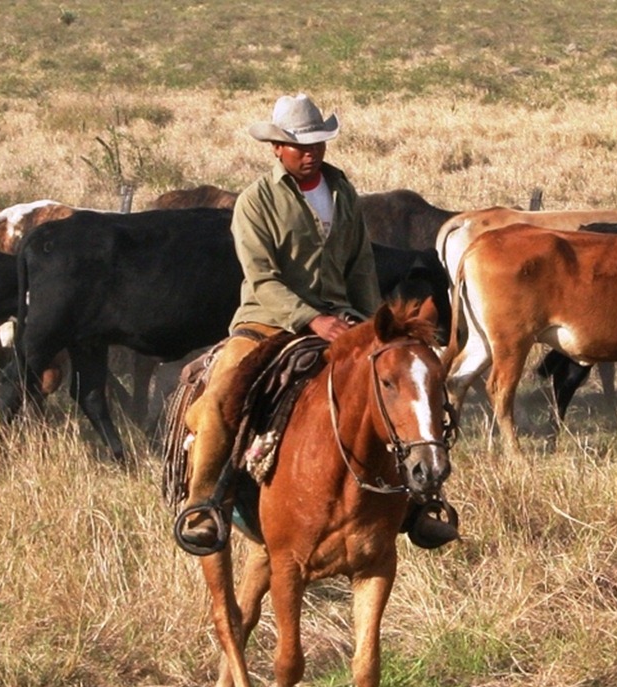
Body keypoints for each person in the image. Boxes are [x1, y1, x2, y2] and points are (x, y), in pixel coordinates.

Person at [175, 93, 456, 554]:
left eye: (318, 144)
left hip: (344, 319)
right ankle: (205, 502)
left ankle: (422, 499)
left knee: (407, 385)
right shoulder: (255, 202)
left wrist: (371, 325)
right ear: (276, 149)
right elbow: (261, 277)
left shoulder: (343, 193)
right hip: (268, 322)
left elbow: (361, 267)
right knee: (224, 393)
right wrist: (312, 319)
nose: (311, 153)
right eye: (300, 145)